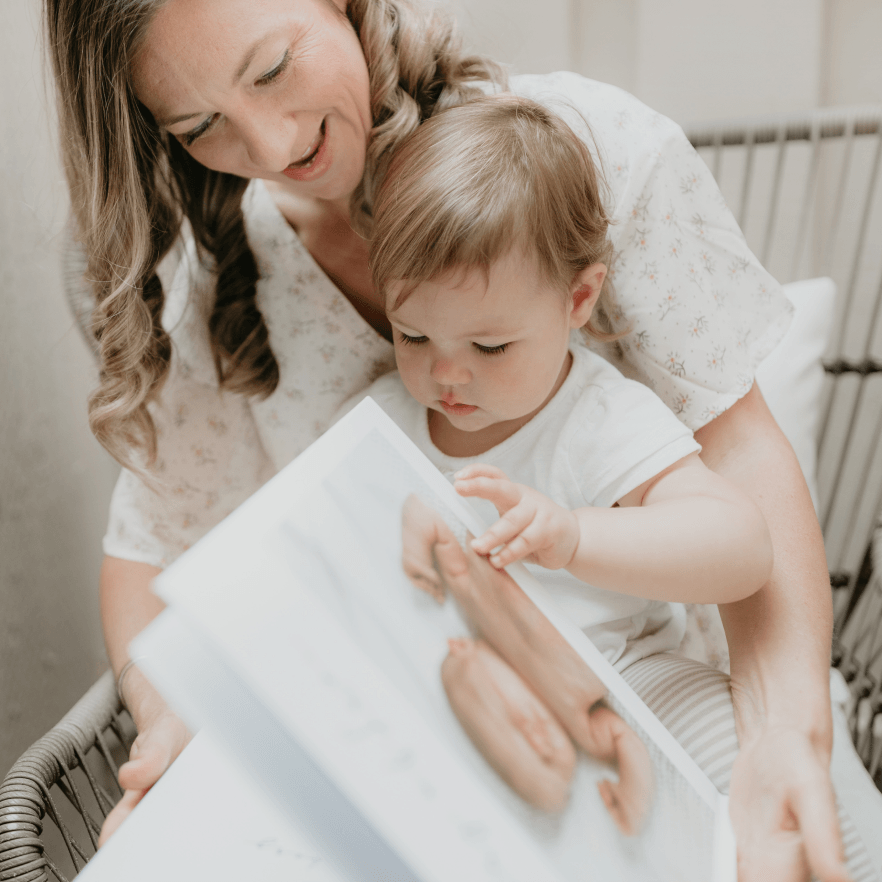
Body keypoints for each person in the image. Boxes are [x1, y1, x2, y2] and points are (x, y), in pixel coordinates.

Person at [43, 0, 880, 877]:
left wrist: (783, 734)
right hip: (429, 735)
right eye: (201, 125)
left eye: (274, 67)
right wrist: (171, 715)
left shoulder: (577, 154)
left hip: (674, 685)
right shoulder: (222, 280)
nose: (271, 145)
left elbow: (739, 469)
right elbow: (147, 544)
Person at [352, 93, 772, 835]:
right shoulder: (383, 420)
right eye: (413, 336)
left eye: (489, 348)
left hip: (628, 680)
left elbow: (741, 548)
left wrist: (576, 537)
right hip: (465, 700)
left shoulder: (597, 420)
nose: (447, 377)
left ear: (578, 299)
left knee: (735, 763)